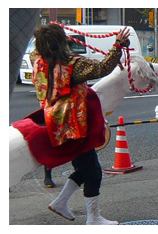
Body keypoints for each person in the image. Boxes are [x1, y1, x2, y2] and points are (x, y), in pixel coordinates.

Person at [31, 23, 130, 225]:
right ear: (62, 41)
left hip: (53, 120)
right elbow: (102, 68)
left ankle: (61, 202)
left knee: (83, 167)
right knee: (93, 171)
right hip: (74, 124)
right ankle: (93, 219)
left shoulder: (38, 62)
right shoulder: (70, 65)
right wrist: (118, 45)